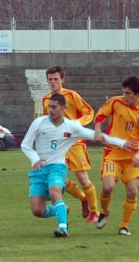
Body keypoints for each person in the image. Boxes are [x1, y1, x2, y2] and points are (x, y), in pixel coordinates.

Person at [21, 93, 137, 238]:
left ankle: (62, 228)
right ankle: (63, 209)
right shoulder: (39, 123)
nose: (51, 110)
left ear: (64, 108)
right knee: (37, 211)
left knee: (54, 191)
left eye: (54, 107)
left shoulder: (72, 126)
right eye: (49, 107)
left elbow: (97, 136)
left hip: (57, 168)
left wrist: (122, 143)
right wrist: (34, 159)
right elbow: (25, 145)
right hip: (38, 170)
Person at [94, 76, 139, 236]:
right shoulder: (116, 102)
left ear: (137, 94)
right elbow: (100, 115)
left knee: (132, 192)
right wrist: (99, 131)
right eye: (123, 92)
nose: (124, 95)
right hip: (113, 153)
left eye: (128, 93)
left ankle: (124, 226)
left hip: (133, 157)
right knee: (107, 187)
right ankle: (105, 212)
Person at [42, 66, 99, 223]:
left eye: (55, 79)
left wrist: (77, 124)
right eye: (50, 79)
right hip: (57, 145)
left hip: (75, 143)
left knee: (82, 177)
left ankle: (95, 212)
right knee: (60, 179)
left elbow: (89, 112)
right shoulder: (46, 99)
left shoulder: (72, 96)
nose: (52, 82)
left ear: (62, 80)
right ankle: (83, 199)